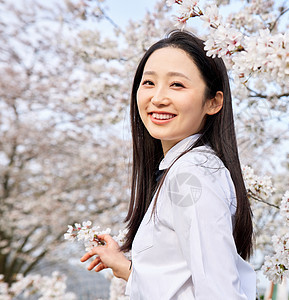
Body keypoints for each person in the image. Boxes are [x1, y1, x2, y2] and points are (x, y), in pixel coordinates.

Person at [80, 30, 256, 299]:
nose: (158, 98)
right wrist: (126, 268)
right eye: (148, 83)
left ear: (213, 102)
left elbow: (219, 292)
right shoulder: (184, 169)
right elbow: (183, 285)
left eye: (177, 85)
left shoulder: (191, 176)